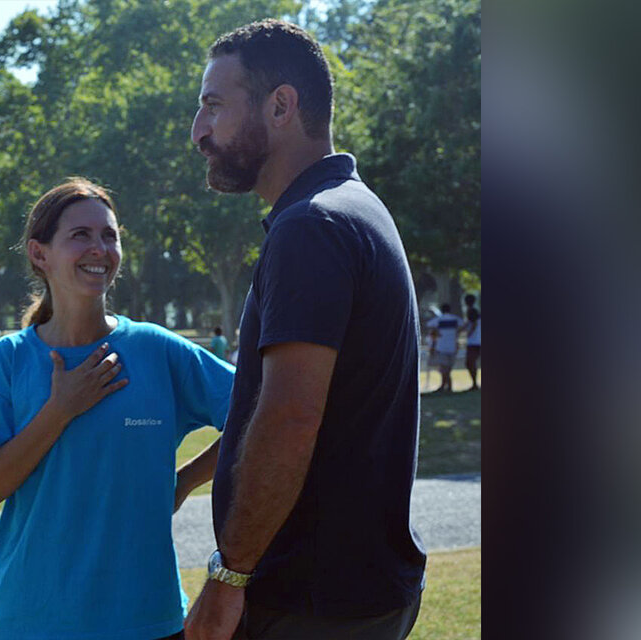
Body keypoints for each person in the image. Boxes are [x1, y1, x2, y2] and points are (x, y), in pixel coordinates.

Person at [185, 20, 426, 640]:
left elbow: (292, 419)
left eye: (213, 105)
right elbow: (276, 407)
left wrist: (229, 577)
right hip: (353, 593)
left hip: (310, 601)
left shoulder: (310, 227)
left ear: (281, 105)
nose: (199, 132)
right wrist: (187, 480)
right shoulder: (351, 206)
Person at [0, 178, 235, 640]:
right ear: (40, 254)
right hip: (33, 620)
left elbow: (258, 415)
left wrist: (182, 482)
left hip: (148, 619)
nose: (99, 248)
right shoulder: (10, 359)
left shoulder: (157, 350)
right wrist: (59, 409)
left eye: (109, 235)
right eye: (80, 235)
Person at [426, 303, 463, 393]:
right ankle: (447, 386)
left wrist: (437, 333)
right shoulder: (456, 319)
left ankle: (445, 386)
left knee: (443, 368)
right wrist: (455, 334)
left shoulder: (438, 320)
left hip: (441, 346)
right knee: (448, 368)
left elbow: (429, 325)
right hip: (452, 346)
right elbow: (462, 325)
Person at [462, 294, 481, 390]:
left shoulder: (472, 311)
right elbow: (468, 323)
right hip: (476, 341)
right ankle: (474, 383)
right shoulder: (474, 310)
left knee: (470, 362)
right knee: (471, 363)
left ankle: (474, 383)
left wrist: (469, 334)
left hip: (474, 342)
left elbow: (474, 323)